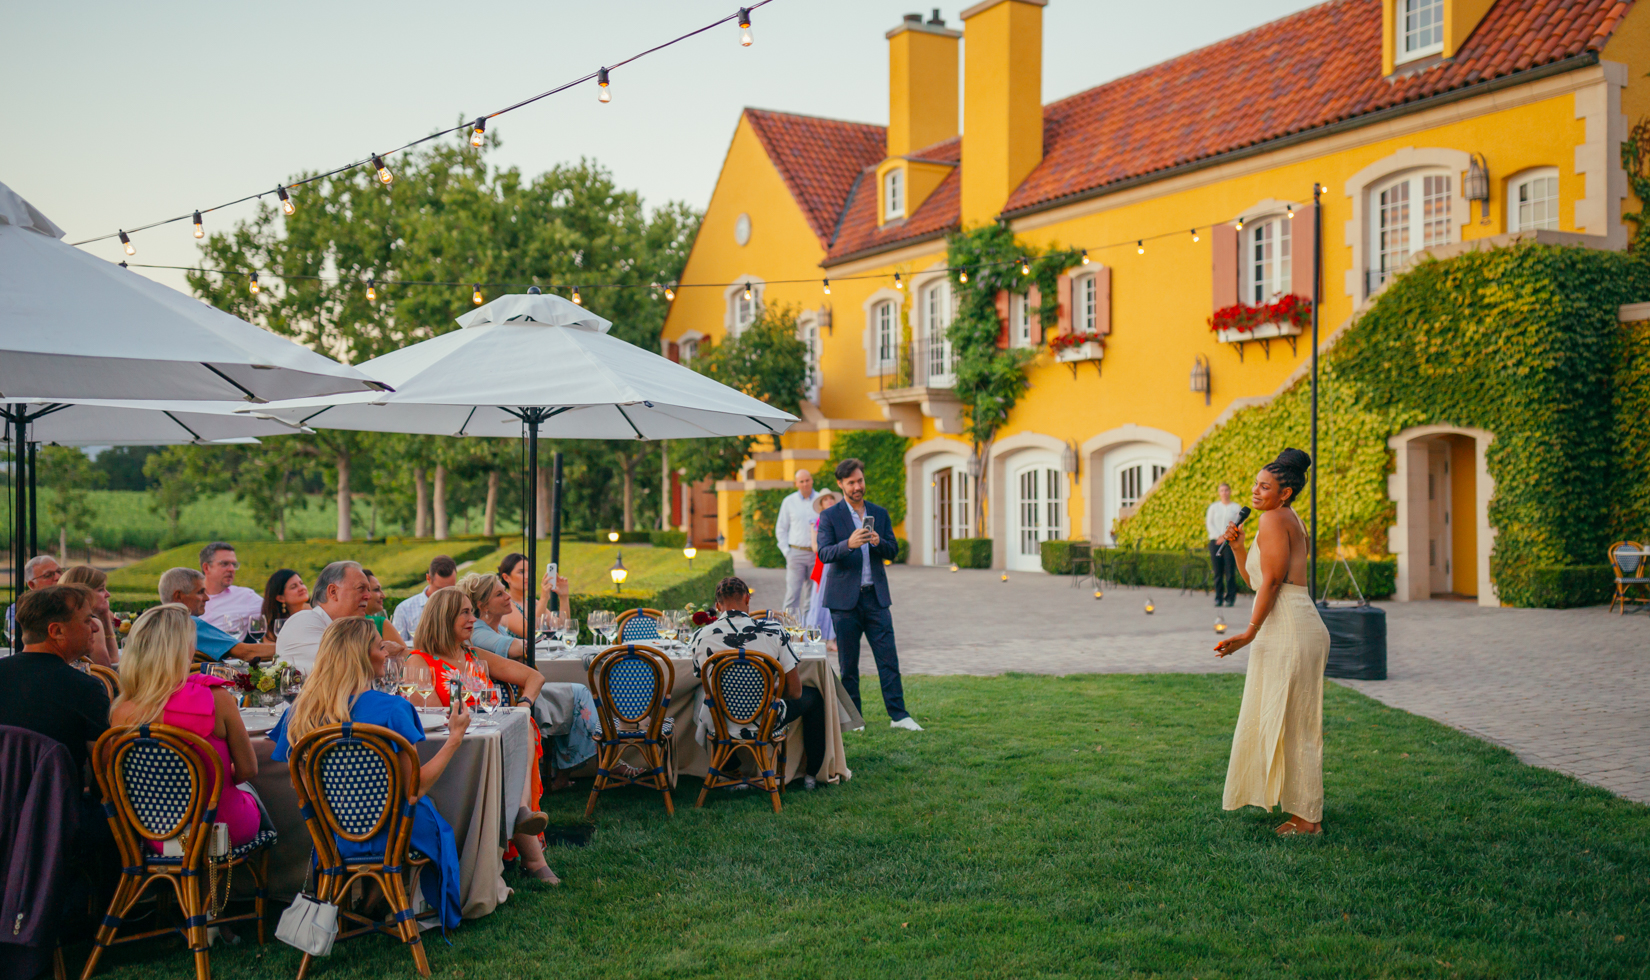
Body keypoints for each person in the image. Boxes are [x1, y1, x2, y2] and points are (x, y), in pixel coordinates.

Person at [269, 617, 469, 929]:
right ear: (363, 656)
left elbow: (307, 791)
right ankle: (389, 902)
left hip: (333, 836)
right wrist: (454, 740)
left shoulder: (300, 712)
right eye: (380, 646)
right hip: (393, 832)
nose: (387, 652)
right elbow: (413, 791)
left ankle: (371, 903)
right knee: (426, 809)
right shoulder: (392, 709)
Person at [1214, 448, 1330, 836]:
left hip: (1291, 628)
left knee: (1296, 725)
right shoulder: (1287, 519)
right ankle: (1302, 811)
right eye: (1255, 484)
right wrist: (1237, 547)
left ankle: (1308, 820)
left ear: (1286, 492)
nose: (1256, 491)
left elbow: (1274, 583)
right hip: (1292, 624)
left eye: (1266, 487)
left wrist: (1249, 631)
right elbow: (1259, 581)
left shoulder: (1274, 518)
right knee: (1291, 722)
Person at [409, 588, 560, 883]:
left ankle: (521, 817)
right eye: (464, 612)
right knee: (520, 731)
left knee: (523, 723)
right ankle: (526, 833)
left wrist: (524, 704)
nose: (472, 619)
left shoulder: (473, 655)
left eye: (471, 611)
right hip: (455, 750)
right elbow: (429, 720)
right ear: (443, 617)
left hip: (489, 739)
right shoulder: (420, 662)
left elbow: (534, 676)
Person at [109, 604, 262, 852]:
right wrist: (214, 779)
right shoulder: (217, 698)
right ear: (183, 649)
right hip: (218, 830)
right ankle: (264, 887)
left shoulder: (122, 712)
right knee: (251, 795)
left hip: (159, 834)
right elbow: (248, 769)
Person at [457, 572, 597, 787]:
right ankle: (574, 769)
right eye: (499, 594)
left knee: (576, 691)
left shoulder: (498, 628)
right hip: (508, 698)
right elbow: (521, 647)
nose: (508, 597)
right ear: (483, 605)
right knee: (578, 692)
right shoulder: (478, 633)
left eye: (505, 592)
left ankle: (564, 770)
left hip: (521, 689)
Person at [689, 576, 828, 790]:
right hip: (765, 719)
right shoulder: (774, 631)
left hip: (721, 720)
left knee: (700, 696)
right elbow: (795, 691)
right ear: (747, 599)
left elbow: (705, 681)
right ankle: (811, 775)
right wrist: (763, 692)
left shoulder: (700, 636)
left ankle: (730, 769)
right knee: (815, 698)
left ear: (717, 606)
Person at [816, 457, 920, 731]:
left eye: (860, 480)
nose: (857, 486)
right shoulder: (829, 516)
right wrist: (847, 544)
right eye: (851, 483)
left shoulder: (879, 514)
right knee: (848, 665)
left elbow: (893, 550)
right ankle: (854, 720)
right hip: (844, 603)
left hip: (876, 598)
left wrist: (879, 542)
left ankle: (899, 716)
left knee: (889, 660)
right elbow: (824, 553)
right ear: (840, 485)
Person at [0, 584, 107, 779]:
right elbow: (104, 768)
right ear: (56, 631)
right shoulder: (84, 689)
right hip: (55, 805)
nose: (95, 627)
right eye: (87, 620)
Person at [159, 567, 275, 664]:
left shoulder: (156, 622)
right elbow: (247, 653)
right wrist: (290, 646)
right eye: (200, 592)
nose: (207, 598)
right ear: (178, 596)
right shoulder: (188, 624)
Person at [275, 561, 369, 674]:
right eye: (361, 588)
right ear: (333, 592)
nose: (368, 596)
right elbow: (343, 665)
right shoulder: (304, 621)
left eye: (368, 590)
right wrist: (379, 649)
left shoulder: (346, 629)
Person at [774, 468, 818, 622]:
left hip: (815, 555)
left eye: (807, 480)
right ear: (796, 483)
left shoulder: (820, 500)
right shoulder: (789, 501)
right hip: (796, 554)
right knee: (793, 594)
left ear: (812, 480)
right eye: (801, 481)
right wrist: (787, 552)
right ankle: (787, 630)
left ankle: (806, 632)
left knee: (812, 595)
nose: (805, 484)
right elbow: (781, 528)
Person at [199, 543, 262, 638]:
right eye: (224, 564)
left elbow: (274, 612)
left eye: (234, 564)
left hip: (228, 652)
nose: (232, 569)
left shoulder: (246, 597)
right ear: (206, 568)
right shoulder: (188, 597)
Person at [61, 565, 119, 667]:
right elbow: (107, 667)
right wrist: (104, 619)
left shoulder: (64, 619)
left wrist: (105, 615)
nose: (108, 594)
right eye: (101, 590)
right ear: (84, 593)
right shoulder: (91, 623)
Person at [804, 491, 840, 651]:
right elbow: (815, 546)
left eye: (831, 498)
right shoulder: (816, 522)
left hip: (838, 561)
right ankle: (817, 637)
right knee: (820, 599)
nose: (829, 501)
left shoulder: (841, 520)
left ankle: (833, 638)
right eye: (825, 499)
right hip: (824, 563)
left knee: (837, 599)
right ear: (821, 504)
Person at [391, 555, 457, 641]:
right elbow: (397, 646)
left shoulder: (461, 606)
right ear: (428, 578)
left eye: (451, 588)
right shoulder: (404, 609)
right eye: (440, 589)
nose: (446, 594)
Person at [497, 553, 561, 638]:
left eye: (530, 571)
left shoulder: (534, 603)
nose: (528, 576)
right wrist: (544, 598)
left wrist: (564, 596)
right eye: (521, 572)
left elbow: (560, 626)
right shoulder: (506, 605)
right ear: (506, 577)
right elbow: (528, 632)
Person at [5, 554, 62, 646]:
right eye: (48, 575)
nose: (58, 577)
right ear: (32, 585)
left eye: (59, 572)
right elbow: (15, 640)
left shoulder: (74, 604)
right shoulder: (17, 609)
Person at [1205, 482, 1244, 608]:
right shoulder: (1214, 507)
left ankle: (1230, 598)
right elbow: (1209, 523)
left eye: (1226, 490)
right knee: (1217, 571)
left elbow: (1237, 524)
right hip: (1215, 541)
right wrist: (1219, 536)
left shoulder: (1236, 507)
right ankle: (1218, 597)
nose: (1224, 492)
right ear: (1219, 492)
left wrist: (1226, 537)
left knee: (1230, 570)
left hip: (1230, 542)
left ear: (1230, 491)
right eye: (1222, 490)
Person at [360, 569, 408, 650]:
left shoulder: (339, 622)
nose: (383, 595)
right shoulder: (380, 623)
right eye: (376, 589)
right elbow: (408, 658)